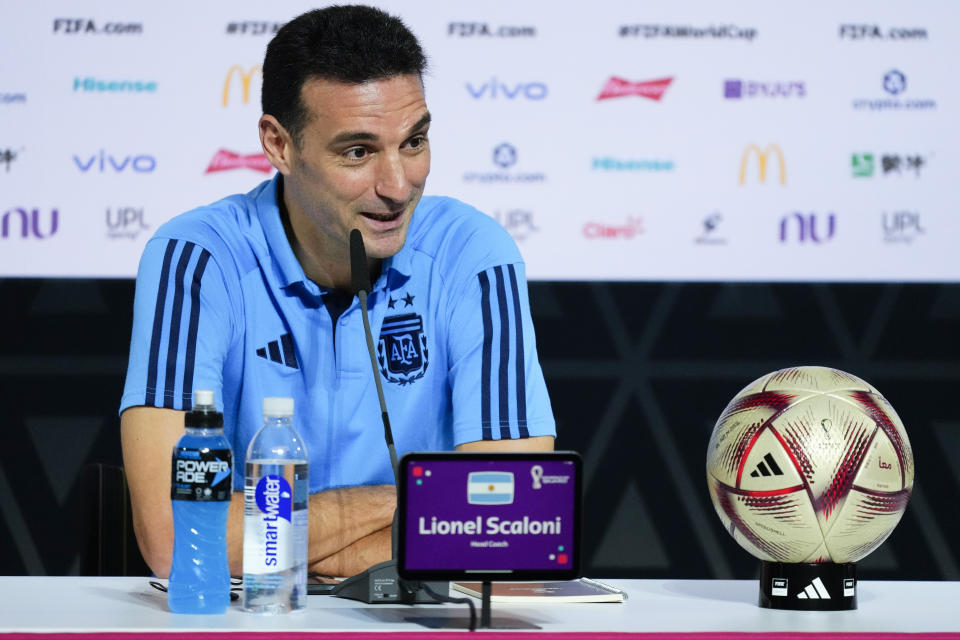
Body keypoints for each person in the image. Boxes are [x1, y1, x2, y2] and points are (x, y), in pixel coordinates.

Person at [120, 5, 555, 580]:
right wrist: (413, 501)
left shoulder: (473, 255)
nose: (398, 186)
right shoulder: (195, 259)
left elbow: (511, 530)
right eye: (358, 152)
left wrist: (266, 540)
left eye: (414, 142)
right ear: (278, 144)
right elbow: (181, 540)